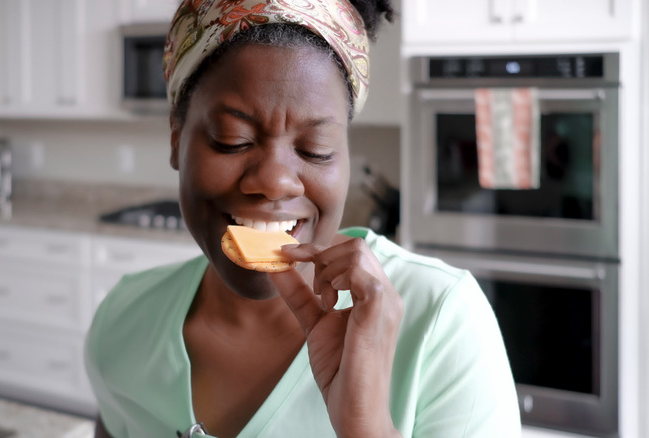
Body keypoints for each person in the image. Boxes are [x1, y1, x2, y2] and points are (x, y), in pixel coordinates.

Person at [84, 0, 522, 437]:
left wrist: (364, 424)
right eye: (232, 140)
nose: (275, 182)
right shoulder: (123, 321)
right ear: (177, 138)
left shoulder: (443, 325)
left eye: (317, 149)